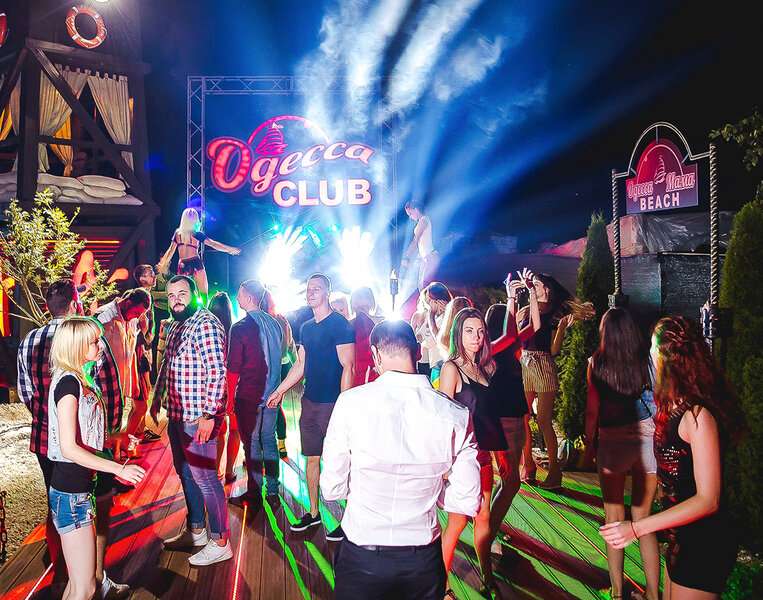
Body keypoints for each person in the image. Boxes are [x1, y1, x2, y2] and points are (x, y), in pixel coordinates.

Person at [321, 320, 482, 600]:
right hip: (423, 560)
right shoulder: (456, 415)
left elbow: (332, 489)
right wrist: (432, 489)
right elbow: (469, 500)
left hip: (362, 554)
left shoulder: (350, 404)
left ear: (375, 354)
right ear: (417, 351)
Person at [600, 316, 744, 600]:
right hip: (681, 538)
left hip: (705, 543)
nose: (649, 353)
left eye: (653, 347)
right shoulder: (671, 405)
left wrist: (636, 528)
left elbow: (709, 500)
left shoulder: (697, 416)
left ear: (670, 359)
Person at [17, 281, 126, 600]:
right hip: (84, 449)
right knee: (98, 505)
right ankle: (94, 576)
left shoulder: (29, 341)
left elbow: (26, 393)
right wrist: (109, 436)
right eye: (95, 343)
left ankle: (62, 575)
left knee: (56, 510)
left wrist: (49, 419)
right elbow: (110, 389)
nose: (99, 346)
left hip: (44, 440)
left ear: (48, 306)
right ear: (75, 303)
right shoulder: (81, 344)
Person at [46, 317, 145, 600]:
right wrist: (117, 468)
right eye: (94, 341)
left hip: (77, 491)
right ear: (76, 346)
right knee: (87, 587)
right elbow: (68, 448)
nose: (101, 345)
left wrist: (111, 442)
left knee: (78, 585)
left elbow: (80, 436)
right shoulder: (69, 383)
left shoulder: (75, 378)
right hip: (70, 493)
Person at [439, 307, 525, 598]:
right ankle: (442, 585)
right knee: (458, 522)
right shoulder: (451, 369)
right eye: (469, 331)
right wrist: (446, 466)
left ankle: (487, 577)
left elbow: (490, 416)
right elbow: (444, 418)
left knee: (484, 518)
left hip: (483, 455)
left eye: (480, 331)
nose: (475, 337)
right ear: (458, 334)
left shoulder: (485, 368)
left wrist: (500, 453)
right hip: (462, 458)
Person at [150, 275, 232, 566]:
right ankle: (196, 531)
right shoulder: (176, 324)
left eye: (182, 294)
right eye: (171, 296)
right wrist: (156, 397)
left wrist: (209, 415)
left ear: (194, 295)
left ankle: (221, 542)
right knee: (186, 474)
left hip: (198, 417)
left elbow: (217, 372)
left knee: (206, 479)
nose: (176, 300)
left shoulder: (205, 324)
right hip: (176, 414)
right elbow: (167, 364)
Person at [267, 273, 356, 540]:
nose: (310, 292)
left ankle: (350, 519)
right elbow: (300, 364)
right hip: (310, 401)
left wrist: (345, 406)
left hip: (333, 403)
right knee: (312, 458)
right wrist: (279, 391)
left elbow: (348, 366)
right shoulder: (305, 328)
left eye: (316, 289)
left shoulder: (340, 324)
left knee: (341, 461)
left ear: (328, 293)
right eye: (308, 289)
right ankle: (314, 513)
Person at [585, 308, 660, 600]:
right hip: (646, 441)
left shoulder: (596, 363)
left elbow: (592, 410)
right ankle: (652, 594)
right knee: (643, 519)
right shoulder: (648, 361)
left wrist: (589, 441)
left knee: (614, 516)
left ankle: (617, 592)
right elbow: (659, 401)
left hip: (613, 443)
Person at [518, 272, 593, 489]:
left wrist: (560, 330)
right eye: (532, 284)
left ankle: (554, 472)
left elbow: (554, 350)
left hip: (543, 363)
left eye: (537, 284)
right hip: (525, 362)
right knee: (522, 417)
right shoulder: (526, 310)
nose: (532, 286)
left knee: (543, 419)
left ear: (547, 289)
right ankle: (529, 465)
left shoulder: (554, 313)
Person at [226, 280, 284, 514]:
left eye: (240, 294)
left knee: (251, 445)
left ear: (249, 298)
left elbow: (233, 369)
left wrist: (229, 400)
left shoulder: (240, 328)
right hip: (273, 393)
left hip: (250, 395)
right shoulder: (274, 323)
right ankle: (273, 491)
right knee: (269, 441)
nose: (237, 298)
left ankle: (254, 495)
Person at [94, 288, 151, 461]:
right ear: (128, 303)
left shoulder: (131, 319)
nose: (136, 317)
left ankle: (116, 457)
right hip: (105, 382)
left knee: (117, 423)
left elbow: (129, 351)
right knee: (105, 426)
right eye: (136, 312)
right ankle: (104, 464)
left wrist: (132, 381)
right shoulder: (105, 316)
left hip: (121, 381)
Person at [157, 207, 241, 296]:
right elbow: (212, 243)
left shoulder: (178, 234)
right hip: (195, 263)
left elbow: (171, 251)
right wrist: (229, 249)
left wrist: (162, 264)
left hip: (182, 265)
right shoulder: (196, 234)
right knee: (203, 293)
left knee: (184, 293)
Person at [261, 289, 297, 458]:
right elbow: (291, 345)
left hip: (268, 367)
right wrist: (297, 365)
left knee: (266, 406)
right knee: (277, 405)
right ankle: (281, 445)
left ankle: (264, 447)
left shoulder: (261, 321)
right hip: (283, 364)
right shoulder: (281, 319)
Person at [208, 292, 240, 483]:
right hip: (234, 386)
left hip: (214, 389)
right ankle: (229, 471)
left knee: (219, 430)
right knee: (235, 430)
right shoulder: (235, 331)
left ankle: (215, 470)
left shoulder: (207, 331)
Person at [133, 265, 160, 443]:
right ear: (142, 279)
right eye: (150, 274)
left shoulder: (147, 295)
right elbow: (139, 323)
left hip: (145, 348)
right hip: (140, 349)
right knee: (142, 392)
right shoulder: (141, 296)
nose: (154, 276)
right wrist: (146, 338)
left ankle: (140, 429)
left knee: (145, 389)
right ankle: (136, 432)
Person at [417, 282, 452, 385]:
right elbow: (419, 335)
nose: (428, 305)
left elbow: (432, 340)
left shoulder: (445, 318)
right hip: (437, 363)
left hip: (441, 363)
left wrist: (421, 343)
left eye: (430, 301)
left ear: (439, 300)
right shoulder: (436, 317)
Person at [349, 286, 384, 386]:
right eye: (357, 298)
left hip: (374, 368)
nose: (360, 302)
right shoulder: (347, 324)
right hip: (355, 369)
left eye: (363, 297)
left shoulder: (380, 321)